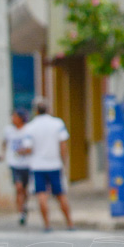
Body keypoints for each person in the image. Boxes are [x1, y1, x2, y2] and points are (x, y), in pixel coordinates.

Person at [24, 97, 74, 231]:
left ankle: (47, 224)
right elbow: (63, 145)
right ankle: (69, 223)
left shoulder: (30, 127)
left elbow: (28, 148)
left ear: (36, 111)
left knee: (41, 195)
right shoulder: (57, 124)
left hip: (38, 166)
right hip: (54, 164)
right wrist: (64, 161)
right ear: (48, 109)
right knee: (60, 194)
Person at [1, 108, 33, 226]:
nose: (12, 119)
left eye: (15, 116)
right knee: (18, 187)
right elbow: (4, 142)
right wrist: (4, 154)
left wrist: (24, 151)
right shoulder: (9, 130)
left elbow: (31, 146)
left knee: (25, 189)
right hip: (15, 163)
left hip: (27, 164)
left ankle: (24, 206)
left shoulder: (29, 129)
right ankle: (21, 213)